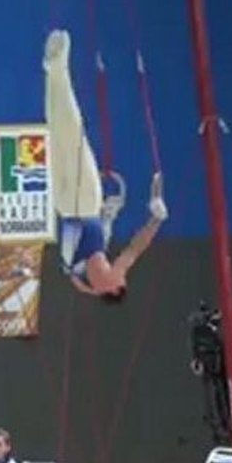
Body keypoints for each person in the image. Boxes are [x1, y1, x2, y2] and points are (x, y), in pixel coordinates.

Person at [43, 29, 168, 302]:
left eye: (120, 281)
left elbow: (81, 285)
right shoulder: (110, 265)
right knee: (73, 135)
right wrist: (157, 218)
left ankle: (52, 72)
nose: (121, 275)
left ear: (110, 288)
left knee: (55, 133)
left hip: (64, 205)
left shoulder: (74, 272)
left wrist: (90, 290)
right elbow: (137, 247)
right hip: (88, 203)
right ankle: (58, 67)